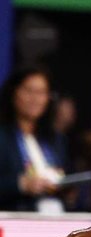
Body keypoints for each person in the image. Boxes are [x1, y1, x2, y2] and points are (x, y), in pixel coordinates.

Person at [0, 65, 66, 213]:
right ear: (13, 93)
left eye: (41, 92)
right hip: (16, 218)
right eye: (29, 90)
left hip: (57, 216)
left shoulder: (56, 139)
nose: (35, 98)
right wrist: (21, 185)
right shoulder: (3, 136)